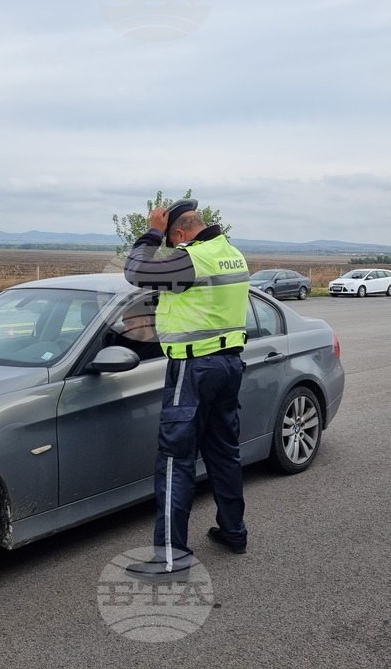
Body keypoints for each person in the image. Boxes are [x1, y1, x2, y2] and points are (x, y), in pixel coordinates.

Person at [122, 197, 250, 581]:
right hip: (229, 365)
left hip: (193, 369)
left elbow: (135, 271)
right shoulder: (231, 255)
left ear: (179, 233)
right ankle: (234, 532)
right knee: (223, 453)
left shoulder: (193, 259)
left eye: (171, 240)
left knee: (175, 460)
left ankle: (170, 560)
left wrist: (152, 232)